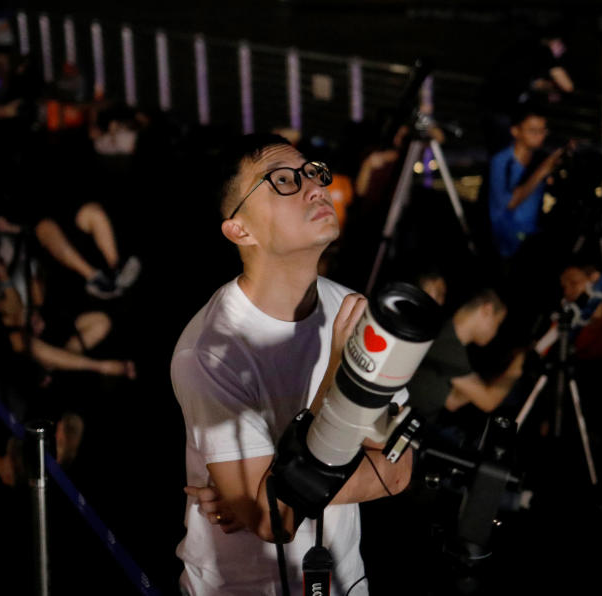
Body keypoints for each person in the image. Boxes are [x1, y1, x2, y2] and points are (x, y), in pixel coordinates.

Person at [171, 134, 412, 596]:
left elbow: (399, 469)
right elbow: (274, 522)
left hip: (344, 582)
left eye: (313, 172)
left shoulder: (353, 311)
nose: (316, 186)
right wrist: (338, 375)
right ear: (241, 229)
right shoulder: (210, 351)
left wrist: (275, 489)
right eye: (283, 180)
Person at [406, 288, 523, 426]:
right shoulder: (448, 345)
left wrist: (493, 380)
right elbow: (488, 402)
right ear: (487, 310)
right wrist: (517, 368)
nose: (496, 332)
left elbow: (452, 401)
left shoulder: (449, 337)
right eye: (498, 323)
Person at [487, 108, 563, 259]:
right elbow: (508, 203)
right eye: (533, 131)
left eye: (542, 131)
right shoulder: (501, 162)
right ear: (516, 131)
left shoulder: (539, 158)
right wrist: (541, 172)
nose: (539, 136)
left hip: (533, 234)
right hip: (506, 239)